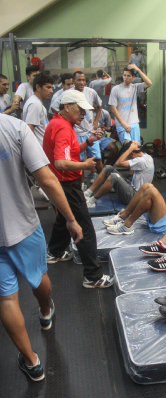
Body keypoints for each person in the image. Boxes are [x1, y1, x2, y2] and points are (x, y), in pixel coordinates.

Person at [0, 113, 82, 382]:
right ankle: (46, 312)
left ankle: (33, 362)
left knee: (7, 299)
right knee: (39, 276)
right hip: (24, 225)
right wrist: (70, 219)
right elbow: (47, 179)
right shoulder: (13, 126)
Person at [43, 89, 114, 289]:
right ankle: (93, 276)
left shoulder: (60, 123)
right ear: (67, 107)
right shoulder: (63, 128)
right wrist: (85, 166)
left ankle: (54, 252)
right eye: (81, 110)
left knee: (63, 217)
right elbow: (61, 162)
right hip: (67, 184)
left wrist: (90, 142)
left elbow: (71, 152)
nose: (84, 114)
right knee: (84, 228)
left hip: (61, 183)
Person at [84, 140, 154, 208]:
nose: (129, 158)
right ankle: (87, 193)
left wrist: (130, 149)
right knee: (108, 168)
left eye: (129, 157)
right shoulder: (148, 156)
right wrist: (133, 147)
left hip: (135, 197)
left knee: (114, 177)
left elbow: (118, 163)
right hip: (132, 188)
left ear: (132, 153)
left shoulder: (140, 161)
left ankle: (91, 201)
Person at [108, 65, 152, 144]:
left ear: (133, 77)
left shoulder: (135, 87)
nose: (126, 77)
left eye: (128, 76)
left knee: (136, 149)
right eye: (124, 75)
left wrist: (138, 69)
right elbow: (113, 108)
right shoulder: (116, 89)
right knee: (127, 147)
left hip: (134, 124)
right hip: (122, 125)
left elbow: (149, 83)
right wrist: (124, 124)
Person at [73, 71, 104, 175]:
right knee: (79, 162)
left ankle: (103, 182)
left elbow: (99, 106)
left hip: (90, 132)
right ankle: (81, 185)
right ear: (74, 81)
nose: (82, 82)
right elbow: (56, 110)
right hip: (76, 133)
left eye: (83, 80)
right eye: (79, 80)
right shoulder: (68, 94)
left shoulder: (91, 92)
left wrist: (96, 122)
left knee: (97, 159)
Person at [22, 72, 54, 145]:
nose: (51, 91)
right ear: (38, 87)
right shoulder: (35, 104)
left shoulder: (37, 102)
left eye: (52, 88)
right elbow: (29, 131)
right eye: (48, 87)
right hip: (39, 150)